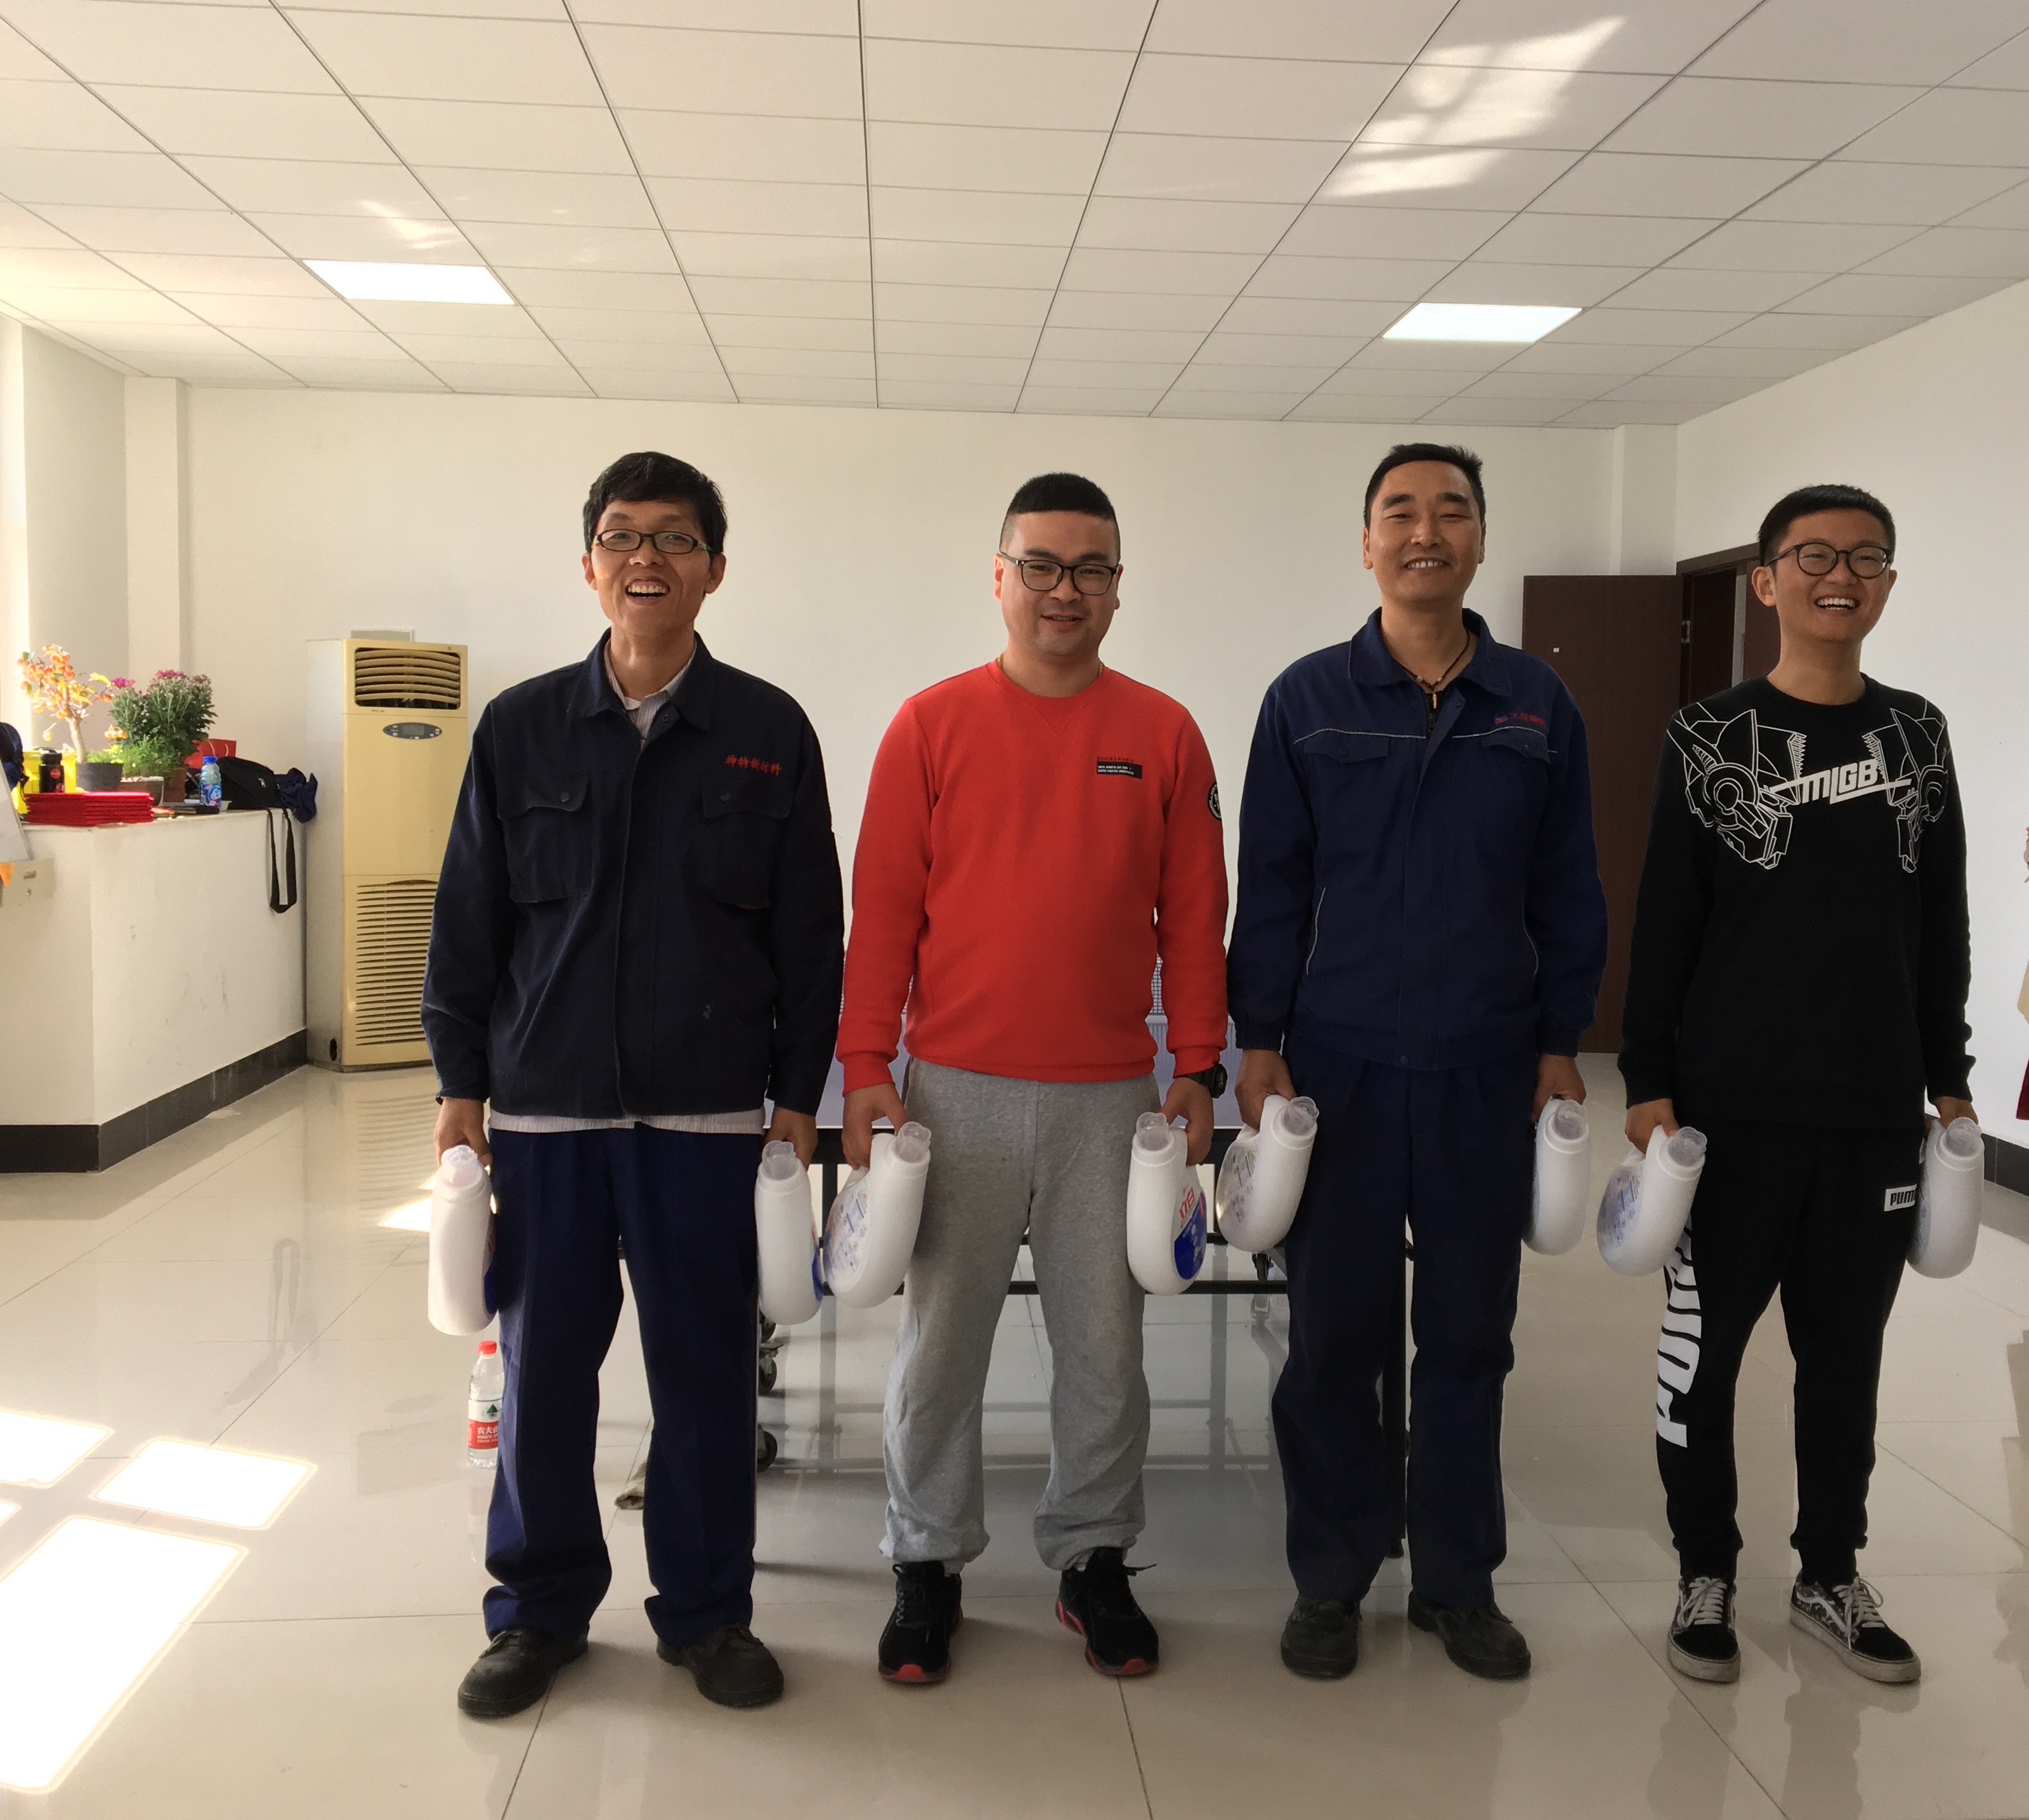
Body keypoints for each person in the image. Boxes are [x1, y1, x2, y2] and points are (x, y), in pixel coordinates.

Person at [422, 451, 844, 1717]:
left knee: (705, 1374)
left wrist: (797, 1092)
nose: (646, 557)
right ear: (590, 563)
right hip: (546, 1109)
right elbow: (469, 916)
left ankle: (708, 1612)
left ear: (715, 568)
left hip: (705, 1113)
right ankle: (537, 1610)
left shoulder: (768, 732)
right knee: (544, 1370)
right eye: (622, 535)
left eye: (674, 537)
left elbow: (811, 931)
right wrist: (458, 1083)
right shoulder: (520, 727)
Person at [838, 471, 1229, 1684]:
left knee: (1105, 1347)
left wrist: (1199, 1062)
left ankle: (1093, 1557)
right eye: (1043, 566)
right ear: (999, 576)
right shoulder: (929, 724)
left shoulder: (1165, 734)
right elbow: (882, 912)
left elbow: (1195, 916)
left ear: (1118, 586)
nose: (1067, 589)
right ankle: (926, 1561)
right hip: (952, 1093)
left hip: (1112, 1099)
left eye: (1092, 568)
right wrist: (865, 1063)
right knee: (939, 1347)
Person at [1228, 442, 1607, 1683]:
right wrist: (1259, 1042)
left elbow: (1569, 885)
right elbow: (1270, 886)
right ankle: (1330, 1578)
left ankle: (1456, 1581)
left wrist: (1558, 1040)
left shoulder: (1536, 704)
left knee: (1467, 1336)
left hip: (1483, 1066)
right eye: (1400, 511)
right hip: (1336, 1070)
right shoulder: (1306, 699)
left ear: (1480, 539)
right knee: (1333, 1338)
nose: (1424, 531)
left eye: (1451, 512)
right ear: (1366, 542)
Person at [1621, 483, 1972, 1688]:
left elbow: (1942, 919)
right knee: (1704, 1358)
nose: (1841, 576)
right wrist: (1650, 1077)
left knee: (1845, 1364)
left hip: (1872, 1113)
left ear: (1887, 583)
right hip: (1728, 1115)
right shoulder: (1706, 735)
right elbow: (1665, 918)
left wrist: (1949, 1076)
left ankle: (1830, 1571)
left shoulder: (1917, 735)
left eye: (1867, 558)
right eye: (1814, 555)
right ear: (1766, 579)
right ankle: (1703, 1572)